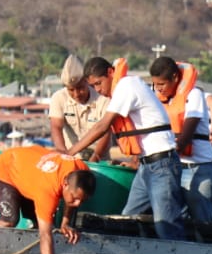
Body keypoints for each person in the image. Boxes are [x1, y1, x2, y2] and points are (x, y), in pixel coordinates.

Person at [67, 56, 186, 240]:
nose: (98, 90)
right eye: (94, 87)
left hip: (162, 165)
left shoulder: (126, 86)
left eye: (99, 84)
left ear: (110, 73)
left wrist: (69, 153)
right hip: (147, 166)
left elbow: (103, 126)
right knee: (127, 219)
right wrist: (135, 160)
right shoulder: (122, 89)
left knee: (166, 227)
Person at [0, 145, 97, 254]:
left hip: (32, 171)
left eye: (82, 200)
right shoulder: (48, 192)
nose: (77, 203)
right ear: (64, 185)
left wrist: (65, 223)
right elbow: (45, 235)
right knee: (9, 221)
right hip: (8, 166)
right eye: (75, 198)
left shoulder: (83, 171)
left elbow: (71, 200)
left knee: (39, 222)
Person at [150, 56, 212, 223]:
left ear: (175, 78)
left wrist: (164, 158)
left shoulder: (194, 95)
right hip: (175, 167)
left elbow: (186, 135)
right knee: (170, 220)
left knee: (201, 223)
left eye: (161, 84)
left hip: (198, 167)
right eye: (155, 84)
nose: (158, 89)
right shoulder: (161, 99)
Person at [50, 54, 111, 162]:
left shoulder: (103, 99)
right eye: (71, 90)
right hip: (72, 158)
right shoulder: (58, 98)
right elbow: (56, 127)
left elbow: (105, 132)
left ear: (87, 82)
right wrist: (62, 152)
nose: (76, 94)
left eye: (80, 88)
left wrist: (96, 157)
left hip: (99, 159)